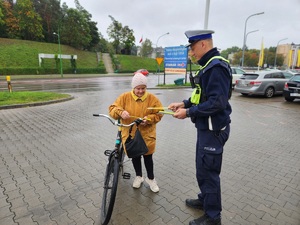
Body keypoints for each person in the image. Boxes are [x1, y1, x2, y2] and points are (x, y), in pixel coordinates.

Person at [168, 30, 232, 225]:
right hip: (206, 129)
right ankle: (205, 200)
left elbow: (217, 103)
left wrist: (188, 113)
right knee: (202, 170)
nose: (192, 53)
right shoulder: (208, 66)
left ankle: (213, 217)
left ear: (203, 44)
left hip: (213, 131)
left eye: (193, 48)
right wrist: (185, 104)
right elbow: (201, 96)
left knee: (209, 174)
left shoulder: (216, 67)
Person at [109, 73, 163, 193]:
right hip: (130, 134)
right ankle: (139, 176)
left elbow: (159, 113)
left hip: (147, 135)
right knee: (135, 156)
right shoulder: (124, 97)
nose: (140, 91)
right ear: (133, 87)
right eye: (138, 88)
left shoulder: (153, 99)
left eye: (143, 88)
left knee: (148, 157)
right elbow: (112, 109)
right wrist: (120, 112)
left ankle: (151, 179)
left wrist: (148, 119)